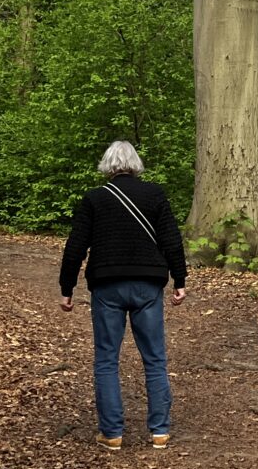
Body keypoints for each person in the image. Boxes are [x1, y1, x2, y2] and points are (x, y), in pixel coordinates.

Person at [60, 141, 187, 450]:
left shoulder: (95, 198)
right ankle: (159, 431)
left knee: (106, 359)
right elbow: (171, 239)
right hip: (148, 284)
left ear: (108, 165)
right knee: (155, 358)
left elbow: (76, 245)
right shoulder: (154, 194)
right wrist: (179, 279)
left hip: (107, 285)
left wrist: (67, 288)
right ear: (136, 164)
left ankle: (112, 432)